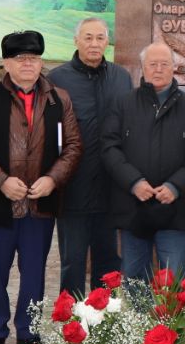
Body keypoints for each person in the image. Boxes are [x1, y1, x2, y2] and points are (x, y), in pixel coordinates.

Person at [0, 31, 82, 344]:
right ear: (6, 63)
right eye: (19, 58)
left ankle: (28, 333)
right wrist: (1, 181)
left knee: (34, 273)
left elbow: (73, 147)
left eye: (33, 57)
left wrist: (52, 179)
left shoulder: (60, 98)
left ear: (41, 61)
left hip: (40, 204)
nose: (27, 63)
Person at [101, 42, 185, 281]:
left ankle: (170, 320)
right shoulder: (123, 103)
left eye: (164, 64)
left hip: (174, 208)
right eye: (152, 64)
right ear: (142, 68)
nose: (158, 69)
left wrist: (175, 186)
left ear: (174, 68)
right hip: (133, 207)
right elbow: (109, 148)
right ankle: (137, 320)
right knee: (134, 279)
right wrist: (134, 182)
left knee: (173, 283)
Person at [48, 17, 132, 295]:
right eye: (88, 37)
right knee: (72, 262)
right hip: (73, 188)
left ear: (107, 42)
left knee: (108, 264)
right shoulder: (57, 79)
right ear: (76, 41)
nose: (94, 43)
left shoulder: (122, 78)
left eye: (99, 38)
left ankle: (103, 327)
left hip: (111, 189)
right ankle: (71, 325)